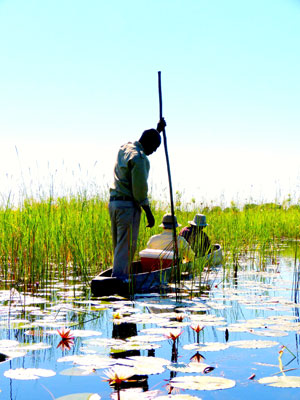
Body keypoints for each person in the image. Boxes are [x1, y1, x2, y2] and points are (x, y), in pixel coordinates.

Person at [109, 118, 166, 280]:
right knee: (126, 248)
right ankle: (119, 282)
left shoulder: (125, 148)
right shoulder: (140, 159)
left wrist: (157, 130)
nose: (153, 152)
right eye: (154, 148)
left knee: (119, 246)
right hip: (128, 206)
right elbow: (139, 192)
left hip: (114, 204)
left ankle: (118, 276)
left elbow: (146, 141)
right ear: (149, 144)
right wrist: (148, 212)